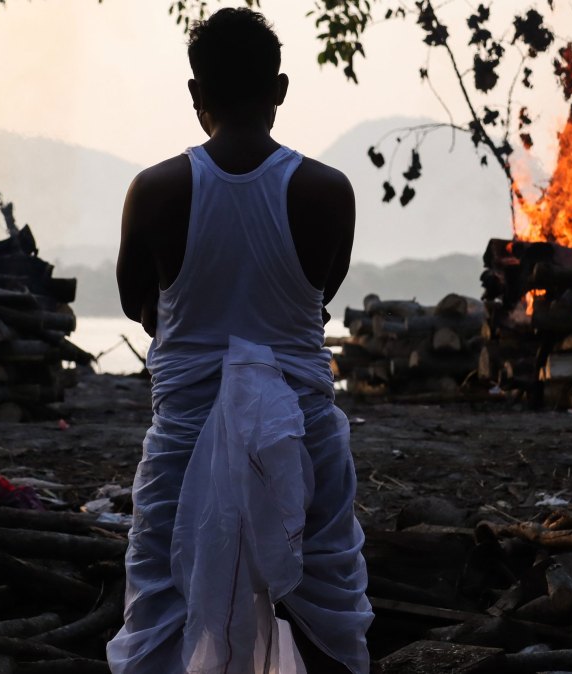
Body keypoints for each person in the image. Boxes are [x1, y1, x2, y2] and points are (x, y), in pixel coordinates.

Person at [107, 8, 373, 674]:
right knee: (326, 611)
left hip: (184, 439)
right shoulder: (327, 192)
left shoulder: (158, 190)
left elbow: (139, 305)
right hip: (302, 437)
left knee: (161, 613)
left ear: (196, 94)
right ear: (279, 90)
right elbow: (319, 297)